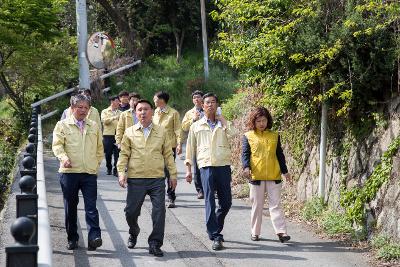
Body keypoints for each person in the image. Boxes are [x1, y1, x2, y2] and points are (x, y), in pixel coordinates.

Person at [117, 99, 177, 257]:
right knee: (130, 212)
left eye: (146, 109)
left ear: (152, 112)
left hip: (156, 178)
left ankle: (155, 243)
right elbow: (123, 154)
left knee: (159, 211)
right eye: (139, 110)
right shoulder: (129, 132)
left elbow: (168, 155)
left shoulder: (161, 131)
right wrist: (121, 173)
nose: (143, 112)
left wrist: (173, 175)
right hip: (136, 178)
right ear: (136, 113)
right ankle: (134, 231)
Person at [52, 94, 104, 251]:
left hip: (89, 173)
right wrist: (63, 158)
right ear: (72, 108)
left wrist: (95, 165)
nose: (83, 110)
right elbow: (57, 146)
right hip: (69, 172)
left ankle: (94, 237)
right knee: (71, 206)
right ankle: (72, 238)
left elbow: (99, 148)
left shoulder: (94, 125)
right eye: (80, 107)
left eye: (86, 108)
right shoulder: (62, 125)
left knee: (91, 207)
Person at [185, 92, 234, 251]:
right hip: (205, 166)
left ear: (217, 105)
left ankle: (215, 227)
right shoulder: (196, 126)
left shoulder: (224, 124)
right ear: (203, 106)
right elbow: (190, 149)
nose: (210, 105)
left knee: (226, 202)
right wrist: (188, 169)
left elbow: (234, 136)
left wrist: (224, 121)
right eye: (207, 102)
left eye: (213, 102)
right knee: (209, 201)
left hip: (223, 165)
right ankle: (214, 234)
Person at [241, 106, 292, 243]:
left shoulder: (275, 135)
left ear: (268, 120)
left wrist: (285, 171)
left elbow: (279, 155)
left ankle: (281, 232)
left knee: (275, 205)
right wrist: (246, 167)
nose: (261, 123)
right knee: (257, 206)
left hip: (274, 176)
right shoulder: (248, 136)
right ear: (253, 122)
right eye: (258, 121)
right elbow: (245, 155)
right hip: (256, 176)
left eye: (263, 120)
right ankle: (255, 232)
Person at [153, 91, 182, 208]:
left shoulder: (173, 113)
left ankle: (171, 197)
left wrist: (179, 144)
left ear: (161, 100)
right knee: (157, 172)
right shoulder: (155, 112)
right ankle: (158, 196)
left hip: (169, 147)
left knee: (169, 171)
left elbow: (178, 130)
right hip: (155, 146)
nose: (153, 100)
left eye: (155, 98)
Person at [181, 90, 205, 199]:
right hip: (195, 142)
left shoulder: (207, 110)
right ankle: (200, 190)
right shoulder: (189, 113)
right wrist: (193, 119)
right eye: (194, 97)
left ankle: (210, 189)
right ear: (192, 100)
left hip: (207, 141)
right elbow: (184, 127)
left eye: (199, 97)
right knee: (197, 167)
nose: (196, 99)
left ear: (202, 99)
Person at [101, 95, 122, 176]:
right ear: (112, 101)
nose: (118, 103)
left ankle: (116, 170)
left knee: (118, 154)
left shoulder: (121, 113)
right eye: (117, 101)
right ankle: (109, 168)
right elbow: (104, 121)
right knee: (108, 154)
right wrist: (114, 118)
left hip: (118, 135)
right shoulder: (105, 111)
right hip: (108, 135)